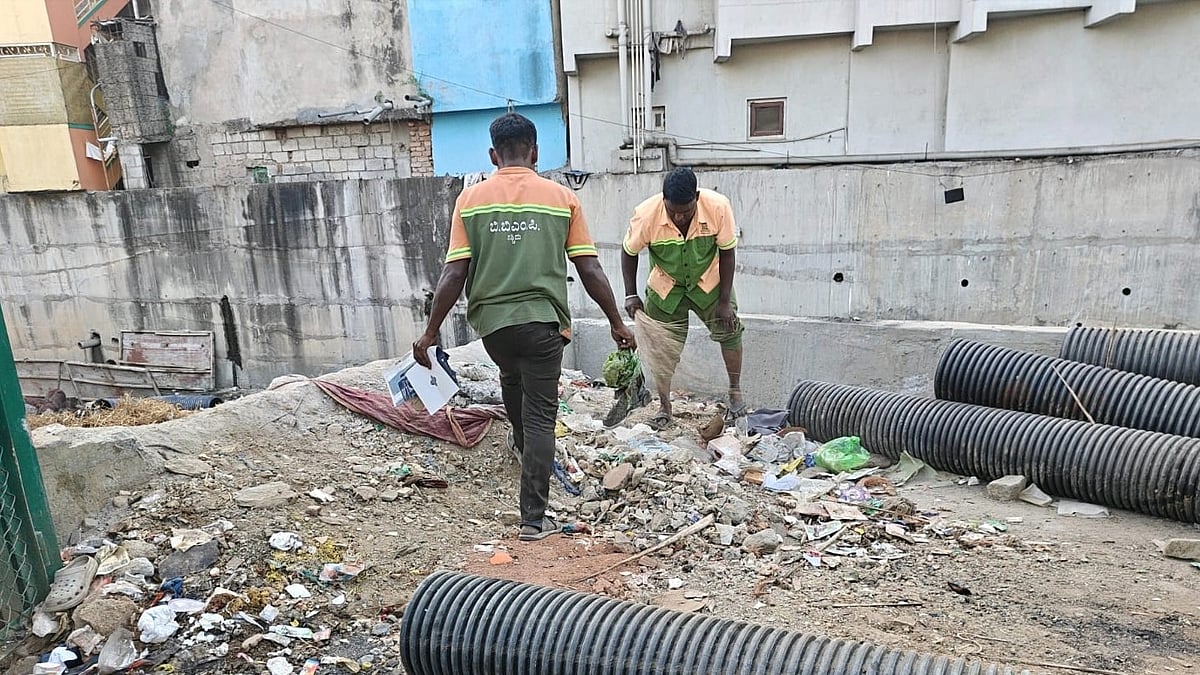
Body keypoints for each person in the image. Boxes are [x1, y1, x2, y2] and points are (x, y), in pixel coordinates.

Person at [413, 113, 635, 542]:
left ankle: (521, 446)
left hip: (494, 328)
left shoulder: (470, 200)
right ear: (535, 152)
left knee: (512, 381)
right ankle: (534, 517)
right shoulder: (561, 198)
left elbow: (453, 274)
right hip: (543, 325)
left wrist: (430, 331)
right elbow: (588, 267)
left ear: (494, 155)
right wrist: (616, 322)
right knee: (540, 418)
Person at [621, 167, 744, 429]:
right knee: (661, 348)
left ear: (697, 198)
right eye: (672, 210)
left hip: (709, 282)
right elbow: (628, 252)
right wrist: (630, 294)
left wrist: (724, 302)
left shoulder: (718, 207)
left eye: (685, 211)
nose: (678, 216)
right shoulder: (646, 214)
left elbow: (728, 254)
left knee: (730, 330)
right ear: (662, 199)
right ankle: (665, 406)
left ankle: (735, 394)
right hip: (666, 287)